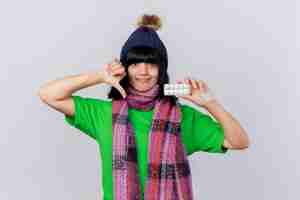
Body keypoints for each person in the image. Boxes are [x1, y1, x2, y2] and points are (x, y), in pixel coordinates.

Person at [38, 14, 250, 200]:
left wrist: (209, 103)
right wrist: (99, 76)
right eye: (135, 63)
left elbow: (238, 141)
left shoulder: (182, 117)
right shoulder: (105, 114)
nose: (144, 72)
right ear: (125, 68)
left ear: (162, 69)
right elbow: (48, 94)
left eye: (152, 64)